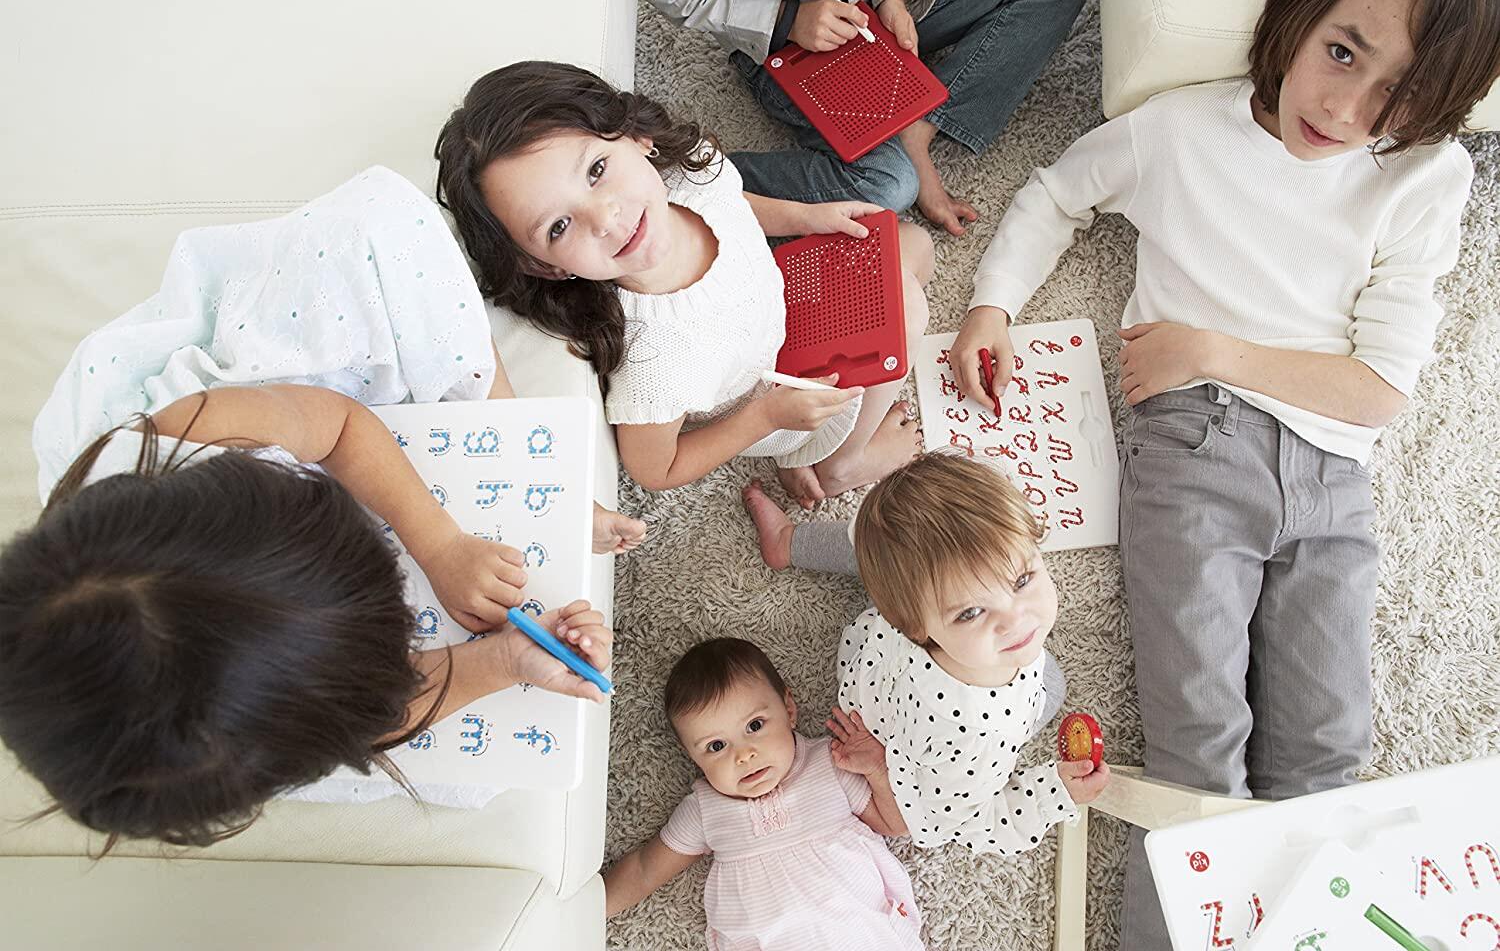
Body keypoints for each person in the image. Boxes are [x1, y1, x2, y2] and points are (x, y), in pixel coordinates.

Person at [942, 0, 1500, 943]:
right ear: (1300, 11)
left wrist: (1214, 349)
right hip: (1195, 444)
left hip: (1333, 474)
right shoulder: (1179, 131)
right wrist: (991, 306)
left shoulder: (1426, 174)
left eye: (1399, 91)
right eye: (1341, 52)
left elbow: (1379, 392)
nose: (1347, 107)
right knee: (1200, 745)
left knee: (1326, 755)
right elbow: (1057, 192)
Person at [0, 384, 612, 849]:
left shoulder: (196, 432)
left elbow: (340, 425)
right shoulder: (208, 751)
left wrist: (438, 543)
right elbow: (372, 720)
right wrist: (502, 661)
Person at [435, 61, 932, 507]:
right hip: (784, 393)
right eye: (559, 227)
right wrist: (766, 418)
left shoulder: (688, 175)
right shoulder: (654, 360)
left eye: (597, 170)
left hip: (777, 304)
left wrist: (805, 216)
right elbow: (655, 470)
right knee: (907, 303)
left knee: (913, 246)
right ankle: (839, 462)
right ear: (545, 267)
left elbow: (733, 202)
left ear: (636, 138)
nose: (605, 218)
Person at [743, 452, 1110, 851]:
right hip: (900, 744)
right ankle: (791, 542)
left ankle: (790, 541)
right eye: (971, 613)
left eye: (1021, 580)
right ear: (914, 628)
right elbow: (971, 822)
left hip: (875, 662)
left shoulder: (921, 612)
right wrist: (1056, 793)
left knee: (887, 547)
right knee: (1053, 683)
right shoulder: (973, 743)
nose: (1015, 620)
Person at [640, 0, 1090, 235]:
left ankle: (919, 128)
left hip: (873, 1)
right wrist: (787, 19)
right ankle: (700, 179)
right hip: (788, 49)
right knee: (889, 185)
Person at [603, 637, 924, 950]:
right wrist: (591, 906)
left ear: (788, 709)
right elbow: (645, 870)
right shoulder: (705, 810)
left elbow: (894, 825)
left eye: (755, 726)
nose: (744, 755)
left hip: (864, 935)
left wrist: (877, 771)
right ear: (693, 758)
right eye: (716, 746)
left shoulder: (829, 763)